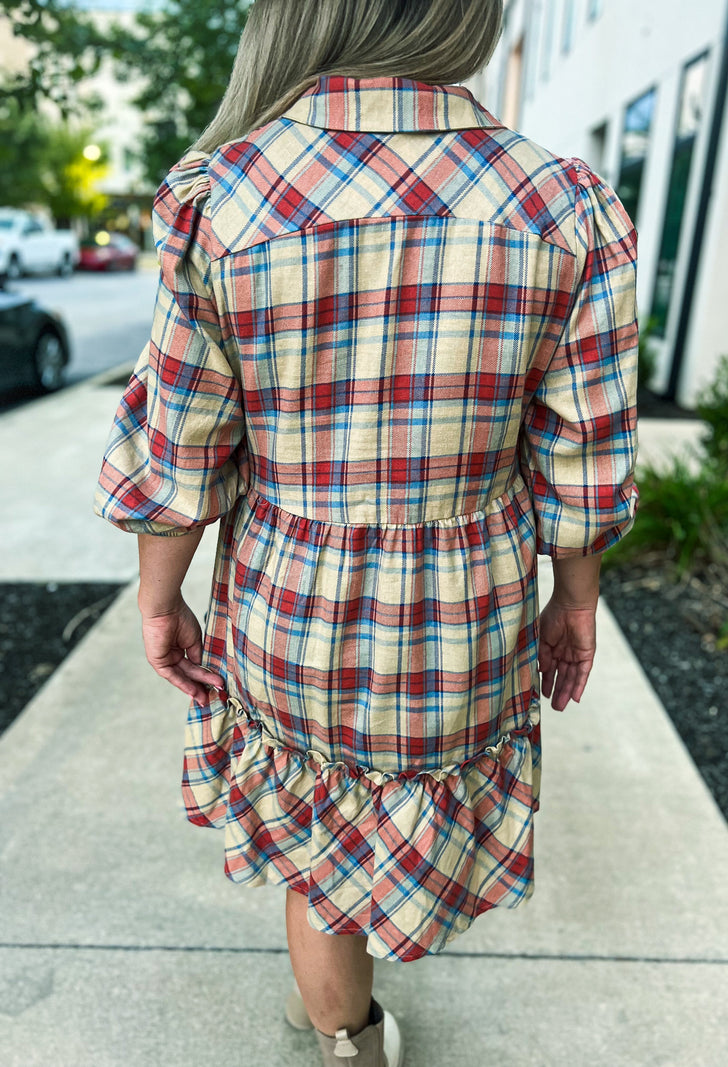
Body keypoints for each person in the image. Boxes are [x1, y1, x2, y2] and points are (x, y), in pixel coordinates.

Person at [94, 1, 639, 1063]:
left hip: (288, 602)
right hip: (464, 611)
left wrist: (160, 599)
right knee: (389, 829)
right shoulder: (562, 203)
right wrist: (574, 599)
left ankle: (343, 1032)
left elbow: (180, 445)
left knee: (318, 848)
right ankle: (344, 1017)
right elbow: (583, 452)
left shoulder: (227, 195)